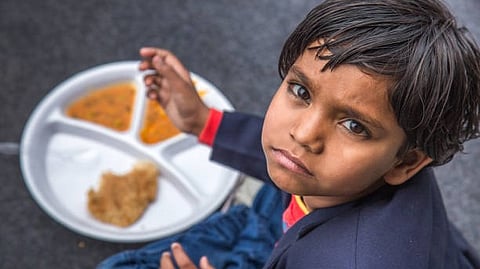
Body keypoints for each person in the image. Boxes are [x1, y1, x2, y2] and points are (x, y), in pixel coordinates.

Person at [98, 0, 480, 268]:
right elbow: (287, 150)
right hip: (294, 220)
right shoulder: (344, 169)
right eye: (301, 91)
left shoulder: (350, 260)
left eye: (354, 126)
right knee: (285, 173)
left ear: (408, 162)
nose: (303, 133)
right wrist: (203, 122)